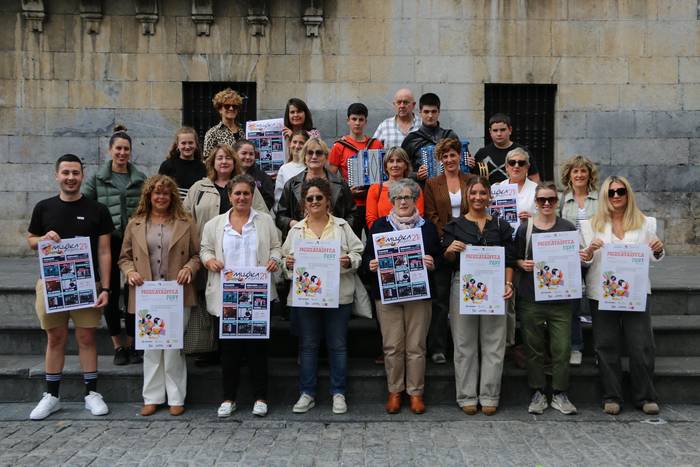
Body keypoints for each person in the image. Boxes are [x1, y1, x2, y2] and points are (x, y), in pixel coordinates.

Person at [27, 154, 113, 420]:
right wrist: (43, 239)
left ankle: (91, 393)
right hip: (52, 284)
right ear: (57, 175)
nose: (71, 178)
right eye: (66, 173)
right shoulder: (43, 207)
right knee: (55, 338)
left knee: (87, 338)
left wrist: (106, 288)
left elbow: (104, 251)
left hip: (86, 285)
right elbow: (30, 240)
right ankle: (51, 395)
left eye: (75, 173)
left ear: (82, 175)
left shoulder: (97, 210)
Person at [580, 176, 664, 416]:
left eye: (621, 192)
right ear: (605, 197)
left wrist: (659, 249)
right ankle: (612, 396)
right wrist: (588, 252)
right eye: (611, 193)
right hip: (601, 292)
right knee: (606, 346)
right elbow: (583, 259)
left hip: (636, 292)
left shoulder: (646, 224)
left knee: (641, 346)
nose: (616, 196)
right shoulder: (590, 225)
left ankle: (645, 396)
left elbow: (653, 255)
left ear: (628, 194)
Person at [200, 174, 282, 418]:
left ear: (252, 195)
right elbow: (204, 249)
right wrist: (209, 260)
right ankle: (228, 398)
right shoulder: (215, 225)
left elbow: (277, 247)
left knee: (257, 350)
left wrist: (274, 260)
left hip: (256, 293)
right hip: (227, 296)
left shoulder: (265, 221)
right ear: (230, 196)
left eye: (247, 193)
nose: (242, 197)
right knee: (229, 352)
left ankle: (260, 397)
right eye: (237, 193)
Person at [119, 175, 201, 416]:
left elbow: (197, 255)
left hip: (177, 294)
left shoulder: (186, 222)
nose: (161, 197)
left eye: (166, 193)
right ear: (149, 196)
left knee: (173, 347)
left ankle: (176, 397)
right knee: (152, 347)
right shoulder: (135, 223)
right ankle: (152, 396)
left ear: (172, 196)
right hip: (148, 295)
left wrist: (189, 268)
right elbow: (124, 257)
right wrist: (130, 271)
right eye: (157, 193)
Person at [282, 177, 363, 414]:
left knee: (338, 345)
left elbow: (358, 252)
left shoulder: (341, 227)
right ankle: (307, 393)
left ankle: (339, 393)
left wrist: (349, 260)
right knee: (308, 346)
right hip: (307, 298)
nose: (315, 201)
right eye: (310, 198)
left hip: (337, 295)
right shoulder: (297, 230)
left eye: (319, 197)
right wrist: (288, 264)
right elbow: (282, 261)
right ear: (303, 204)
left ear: (328, 200)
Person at [184, 144, 269, 366]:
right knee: (210, 300)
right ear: (212, 162)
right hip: (208, 254)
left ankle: (235, 351)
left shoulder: (247, 187)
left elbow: (263, 217)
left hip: (242, 258)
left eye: (228, 158)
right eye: (219, 158)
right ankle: (214, 348)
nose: (224, 162)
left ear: (235, 162)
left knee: (235, 302)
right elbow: (185, 218)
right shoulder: (199, 187)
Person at [363, 178, 440, 414]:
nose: (403, 201)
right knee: (392, 345)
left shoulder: (426, 227)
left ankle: (415, 392)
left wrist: (432, 262)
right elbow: (366, 259)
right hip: (387, 294)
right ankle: (395, 390)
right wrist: (372, 264)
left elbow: (438, 256)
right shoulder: (379, 227)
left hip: (418, 294)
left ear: (415, 199)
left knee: (416, 345)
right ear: (391, 201)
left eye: (407, 197)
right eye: (398, 197)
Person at [442, 176, 515, 416]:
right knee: (464, 343)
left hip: (495, 287)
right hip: (463, 285)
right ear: (467, 196)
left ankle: (489, 395)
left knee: (494, 342)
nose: (478, 198)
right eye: (473, 193)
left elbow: (510, 259)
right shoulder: (454, 225)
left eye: (482, 193)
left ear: (489, 197)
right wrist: (450, 250)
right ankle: (467, 395)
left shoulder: (501, 226)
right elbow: (448, 261)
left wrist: (508, 284)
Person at [514, 182, 585, 416]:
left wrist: (584, 256)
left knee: (562, 348)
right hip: (531, 298)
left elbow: (578, 261)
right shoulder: (526, 228)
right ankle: (537, 392)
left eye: (551, 200)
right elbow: (513, 258)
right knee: (533, 348)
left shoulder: (567, 228)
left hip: (560, 300)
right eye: (542, 199)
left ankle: (559, 393)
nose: (546, 203)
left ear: (557, 202)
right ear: (536, 201)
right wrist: (520, 263)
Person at [82, 125, 146, 366]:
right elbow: (85, 207)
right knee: (108, 291)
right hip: (105, 242)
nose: (122, 153)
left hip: (133, 244)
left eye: (126, 149)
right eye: (118, 148)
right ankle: (118, 345)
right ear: (110, 150)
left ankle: (132, 342)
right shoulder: (97, 179)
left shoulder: (139, 179)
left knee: (133, 293)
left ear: (131, 152)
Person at [423, 138, 475, 364]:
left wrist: (464, 235)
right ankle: (438, 347)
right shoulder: (432, 183)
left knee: (469, 295)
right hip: (443, 244)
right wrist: (447, 238)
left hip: (469, 244)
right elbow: (431, 214)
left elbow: (477, 207)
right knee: (441, 299)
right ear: (440, 159)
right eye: (445, 156)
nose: (450, 159)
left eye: (453, 155)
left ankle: (467, 346)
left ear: (459, 157)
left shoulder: (471, 180)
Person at [559, 155, 599, 366]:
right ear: (569, 175)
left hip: (596, 257)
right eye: (575, 171)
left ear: (589, 175)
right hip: (571, 259)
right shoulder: (563, 199)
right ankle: (575, 347)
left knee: (598, 305)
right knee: (572, 306)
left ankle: (602, 351)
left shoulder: (600, 199)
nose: (580, 175)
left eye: (583, 171)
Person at [276, 137, 356, 239]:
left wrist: (341, 229)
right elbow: (280, 216)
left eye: (319, 153)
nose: (314, 156)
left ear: (326, 157)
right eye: (310, 153)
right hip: (302, 239)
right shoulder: (291, 184)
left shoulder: (340, 184)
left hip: (334, 239)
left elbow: (353, 214)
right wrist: (294, 224)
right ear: (304, 157)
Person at [328, 102, 384, 237]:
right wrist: (346, 190)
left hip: (374, 200)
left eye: (361, 119)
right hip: (352, 203)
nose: (357, 123)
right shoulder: (339, 146)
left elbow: (384, 173)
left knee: (376, 239)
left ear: (366, 121)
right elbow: (331, 177)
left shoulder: (376, 144)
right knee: (353, 241)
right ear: (348, 121)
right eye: (354, 119)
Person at [401, 93, 460, 182]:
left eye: (433, 111)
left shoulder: (450, 136)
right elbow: (401, 169)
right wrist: (416, 175)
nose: (430, 116)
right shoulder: (411, 139)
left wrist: (469, 163)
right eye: (426, 112)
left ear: (439, 111)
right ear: (420, 112)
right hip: (422, 189)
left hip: (449, 187)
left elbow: (462, 163)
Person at [365, 147, 425, 229]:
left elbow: (420, 215)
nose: (395, 165)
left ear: (406, 165)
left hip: (411, 236)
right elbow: (371, 220)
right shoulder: (375, 189)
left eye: (399, 161)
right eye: (391, 161)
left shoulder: (415, 188)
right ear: (386, 166)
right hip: (384, 237)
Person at [475, 113, 540, 184]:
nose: (499, 134)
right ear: (490, 131)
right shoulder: (482, 153)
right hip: (490, 194)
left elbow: (534, 178)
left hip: (517, 193)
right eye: (495, 130)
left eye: (502, 130)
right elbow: (473, 178)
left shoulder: (522, 152)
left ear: (510, 130)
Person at [158, 127, 207, 200]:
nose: (187, 146)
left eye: (190, 143)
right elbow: (160, 189)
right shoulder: (167, 166)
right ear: (177, 145)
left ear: (196, 144)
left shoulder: (203, 167)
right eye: (183, 143)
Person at [494, 147, 538, 221]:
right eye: (512, 163)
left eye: (521, 163)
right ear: (506, 167)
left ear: (527, 167)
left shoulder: (536, 189)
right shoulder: (496, 188)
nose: (516, 166)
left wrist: (532, 218)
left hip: (528, 230)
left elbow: (545, 216)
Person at [203, 88, 246, 160]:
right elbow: (207, 160)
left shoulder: (244, 130)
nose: (231, 108)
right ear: (220, 109)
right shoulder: (212, 133)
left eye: (234, 106)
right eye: (227, 106)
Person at [235, 139, 275, 210]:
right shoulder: (229, 174)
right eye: (244, 153)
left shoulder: (263, 176)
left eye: (251, 154)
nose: (248, 157)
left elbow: (269, 200)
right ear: (235, 154)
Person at [274, 130, 309, 209]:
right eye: (295, 142)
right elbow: (278, 197)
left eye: (301, 143)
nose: (297, 146)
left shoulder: (311, 167)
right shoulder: (284, 169)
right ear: (289, 144)